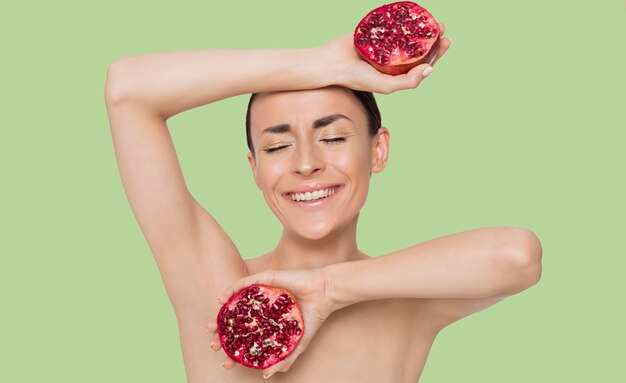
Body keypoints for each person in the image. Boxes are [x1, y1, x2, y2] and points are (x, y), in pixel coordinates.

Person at [104, 25, 542, 382]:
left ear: (378, 150)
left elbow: (519, 255)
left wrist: (330, 289)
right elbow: (129, 90)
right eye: (278, 147)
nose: (306, 163)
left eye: (331, 138)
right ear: (254, 168)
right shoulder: (221, 287)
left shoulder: (405, 299)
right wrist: (323, 63)